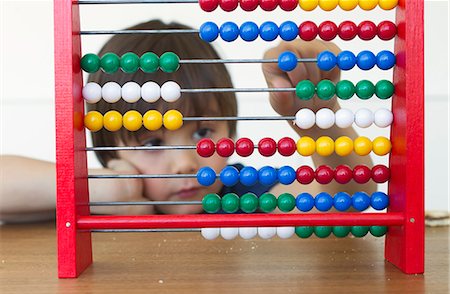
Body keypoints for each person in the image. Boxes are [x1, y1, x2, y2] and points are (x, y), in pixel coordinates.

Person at [0, 20, 375, 222]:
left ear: (231, 128)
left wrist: (316, 120)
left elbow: (349, 200)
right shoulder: (97, 201)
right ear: (109, 147)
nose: (185, 163)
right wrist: (106, 192)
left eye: (203, 132)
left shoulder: (241, 194)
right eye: (152, 143)